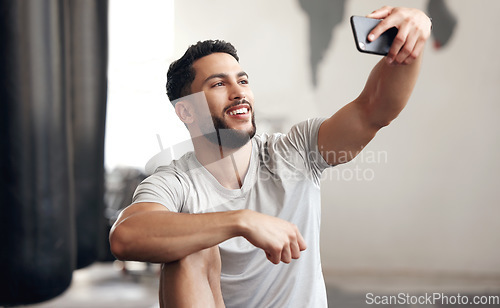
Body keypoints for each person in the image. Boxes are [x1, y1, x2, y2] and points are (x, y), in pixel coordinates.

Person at [109, 6, 432, 308]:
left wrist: (408, 47)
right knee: (190, 247)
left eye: (243, 80)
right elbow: (126, 238)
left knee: (190, 236)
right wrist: (240, 221)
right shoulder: (175, 181)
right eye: (219, 83)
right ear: (186, 111)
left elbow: (372, 112)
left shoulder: (294, 151)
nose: (239, 92)